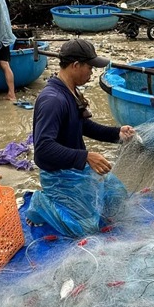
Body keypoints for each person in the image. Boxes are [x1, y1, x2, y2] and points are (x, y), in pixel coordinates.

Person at [28, 39, 136, 236]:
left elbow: (82, 125)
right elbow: (43, 149)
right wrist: (86, 156)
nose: (92, 73)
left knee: (117, 197)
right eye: (90, 67)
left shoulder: (69, 91)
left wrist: (116, 133)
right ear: (75, 65)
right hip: (59, 177)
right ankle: (42, 203)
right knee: (86, 228)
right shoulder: (53, 100)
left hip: (75, 169)